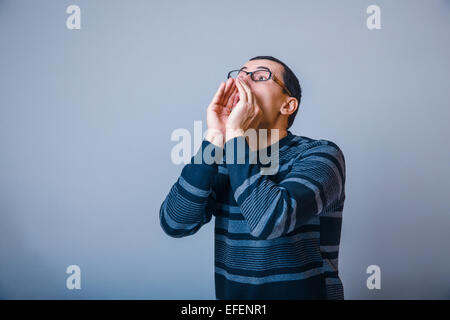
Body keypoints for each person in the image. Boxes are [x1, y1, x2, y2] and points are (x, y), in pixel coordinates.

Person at [159, 56, 346, 300]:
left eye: (260, 76)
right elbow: (175, 223)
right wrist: (215, 136)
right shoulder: (227, 160)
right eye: (241, 73)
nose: (243, 79)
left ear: (288, 105)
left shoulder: (320, 155)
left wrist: (235, 134)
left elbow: (269, 220)